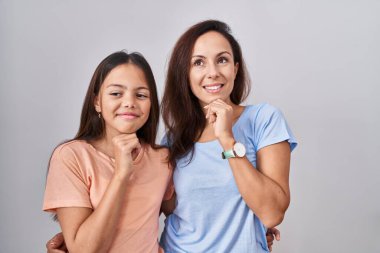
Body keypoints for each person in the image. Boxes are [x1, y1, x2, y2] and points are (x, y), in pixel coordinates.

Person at [158, 20, 297, 252]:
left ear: (235, 68)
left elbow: (272, 213)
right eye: (198, 63)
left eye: (222, 60)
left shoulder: (264, 120)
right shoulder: (174, 140)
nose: (212, 73)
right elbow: (163, 209)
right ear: (185, 73)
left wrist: (227, 139)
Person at [43, 51, 174, 253]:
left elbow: (188, 215)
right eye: (116, 93)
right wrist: (121, 174)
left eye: (141, 95)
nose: (130, 102)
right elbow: (84, 250)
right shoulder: (71, 157)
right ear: (97, 102)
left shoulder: (162, 159)